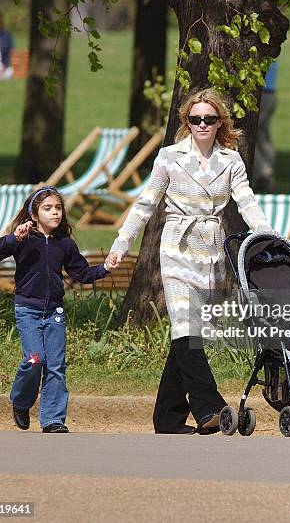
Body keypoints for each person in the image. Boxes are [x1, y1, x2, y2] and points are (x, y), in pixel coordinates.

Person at [105, 88, 272, 435]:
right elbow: (146, 204)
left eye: (209, 119)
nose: (202, 125)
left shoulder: (231, 160)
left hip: (210, 251)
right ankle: (209, 407)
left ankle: (166, 418)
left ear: (219, 122)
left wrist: (265, 233)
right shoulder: (169, 156)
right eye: (195, 119)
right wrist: (122, 242)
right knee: (184, 327)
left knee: (192, 332)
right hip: (176, 247)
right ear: (186, 122)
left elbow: (246, 201)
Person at [0, 186, 110, 433]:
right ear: (34, 215)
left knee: (56, 366)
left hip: (55, 312)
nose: (55, 213)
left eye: (58, 208)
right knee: (34, 359)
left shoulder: (64, 243)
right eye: (48, 208)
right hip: (27, 310)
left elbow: (81, 273)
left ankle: (53, 419)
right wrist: (14, 237)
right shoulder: (23, 239)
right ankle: (21, 402)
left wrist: (105, 268)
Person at [254, 60, 278, 192]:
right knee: (262, 136)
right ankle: (266, 173)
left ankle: (264, 171)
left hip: (261, 94)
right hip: (270, 93)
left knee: (249, 135)